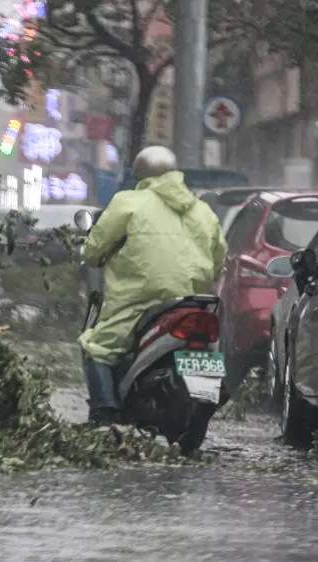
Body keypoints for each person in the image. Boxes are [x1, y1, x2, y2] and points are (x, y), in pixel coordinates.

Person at [79, 146, 228, 426]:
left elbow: (94, 250)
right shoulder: (203, 210)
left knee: (97, 348)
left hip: (140, 300)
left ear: (141, 174)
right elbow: (219, 258)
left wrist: (94, 255)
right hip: (192, 301)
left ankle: (106, 415)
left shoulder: (128, 202)